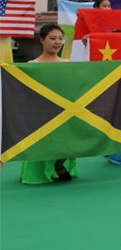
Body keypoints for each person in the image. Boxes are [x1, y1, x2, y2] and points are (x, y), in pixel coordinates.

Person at [19, 25, 78, 184]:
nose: (57, 42)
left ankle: (59, 163)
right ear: (42, 40)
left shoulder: (67, 63)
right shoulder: (32, 65)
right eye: (52, 38)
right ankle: (45, 168)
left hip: (65, 110)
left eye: (60, 38)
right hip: (41, 112)